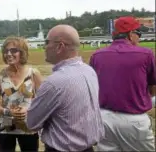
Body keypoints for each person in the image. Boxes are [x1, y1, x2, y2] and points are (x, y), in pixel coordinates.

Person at [26, 25, 104, 152]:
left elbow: (32, 123)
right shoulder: (89, 71)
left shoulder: (54, 82)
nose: (44, 47)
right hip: (88, 147)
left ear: (60, 47)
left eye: (47, 42)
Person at [90, 16, 156, 151]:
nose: (139, 38)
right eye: (138, 33)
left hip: (104, 118)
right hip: (134, 119)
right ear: (131, 34)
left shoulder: (97, 55)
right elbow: (153, 86)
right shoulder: (146, 54)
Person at [0, 36, 43, 152]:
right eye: (6, 51)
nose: (8, 54)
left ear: (22, 53)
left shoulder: (33, 74)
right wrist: (8, 112)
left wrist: (28, 110)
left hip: (28, 126)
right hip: (6, 126)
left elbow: (42, 102)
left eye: (13, 50)